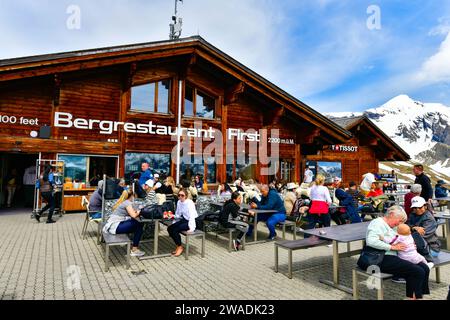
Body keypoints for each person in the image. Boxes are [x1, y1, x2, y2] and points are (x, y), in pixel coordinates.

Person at [364, 205, 430, 300]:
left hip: (396, 255)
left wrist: (410, 246)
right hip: (381, 258)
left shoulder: (393, 226)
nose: (400, 224)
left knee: (425, 268)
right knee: (417, 271)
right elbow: (371, 241)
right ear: (391, 215)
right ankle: (413, 297)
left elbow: (401, 238)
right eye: (399, 220)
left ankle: (418, 296)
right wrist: (392, 247)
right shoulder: (377, 223)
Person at [102, 189, 145, 257]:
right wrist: (140, 211)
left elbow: (131, 213)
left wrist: (136, 212)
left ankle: (133, 244)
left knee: (137, 225)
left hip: (112, 225)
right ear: (132, 196)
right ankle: (134, 249)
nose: (135, 198)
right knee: (139, 225)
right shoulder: (127, 203)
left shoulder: (123, 202)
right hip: (115, 227)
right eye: (134, 196)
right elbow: (133, 215)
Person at [167, 189, 198, 257]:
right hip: (184, 219)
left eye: (182, 195)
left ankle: (180, 247)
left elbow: (192, 216)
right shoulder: (179, 202)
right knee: (170, 228)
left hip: (191, 221)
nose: (180, 197)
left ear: (186, 196)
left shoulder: (190, 203)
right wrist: (173, 217)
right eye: (179, 195)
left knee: (175, 230)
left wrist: (192, 228)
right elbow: (178, 214)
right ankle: (178, 246)